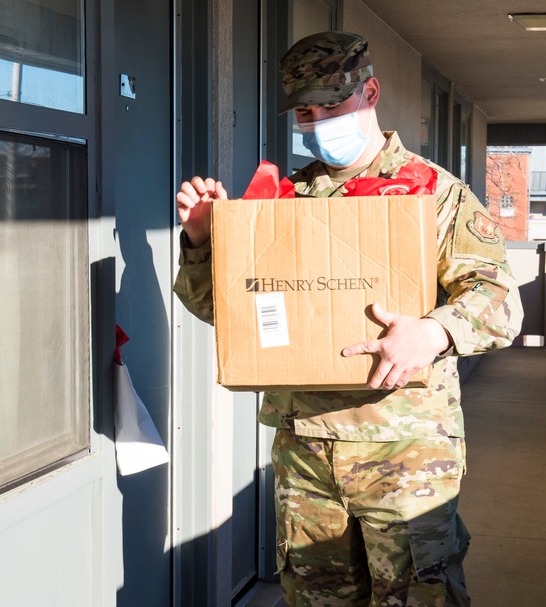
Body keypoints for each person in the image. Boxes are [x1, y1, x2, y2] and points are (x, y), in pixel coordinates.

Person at [173, 31, 523, 606]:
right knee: (317, 598)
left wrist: (433, 332)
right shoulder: (286, 201)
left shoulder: (435, 195)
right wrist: (205, 240)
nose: (318, 121)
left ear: (371, 92)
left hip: (405, 453)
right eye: (306, 111)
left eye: (332, 105)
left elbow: (501, 302)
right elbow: (228, 311)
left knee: (416, 597)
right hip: (306, 454)